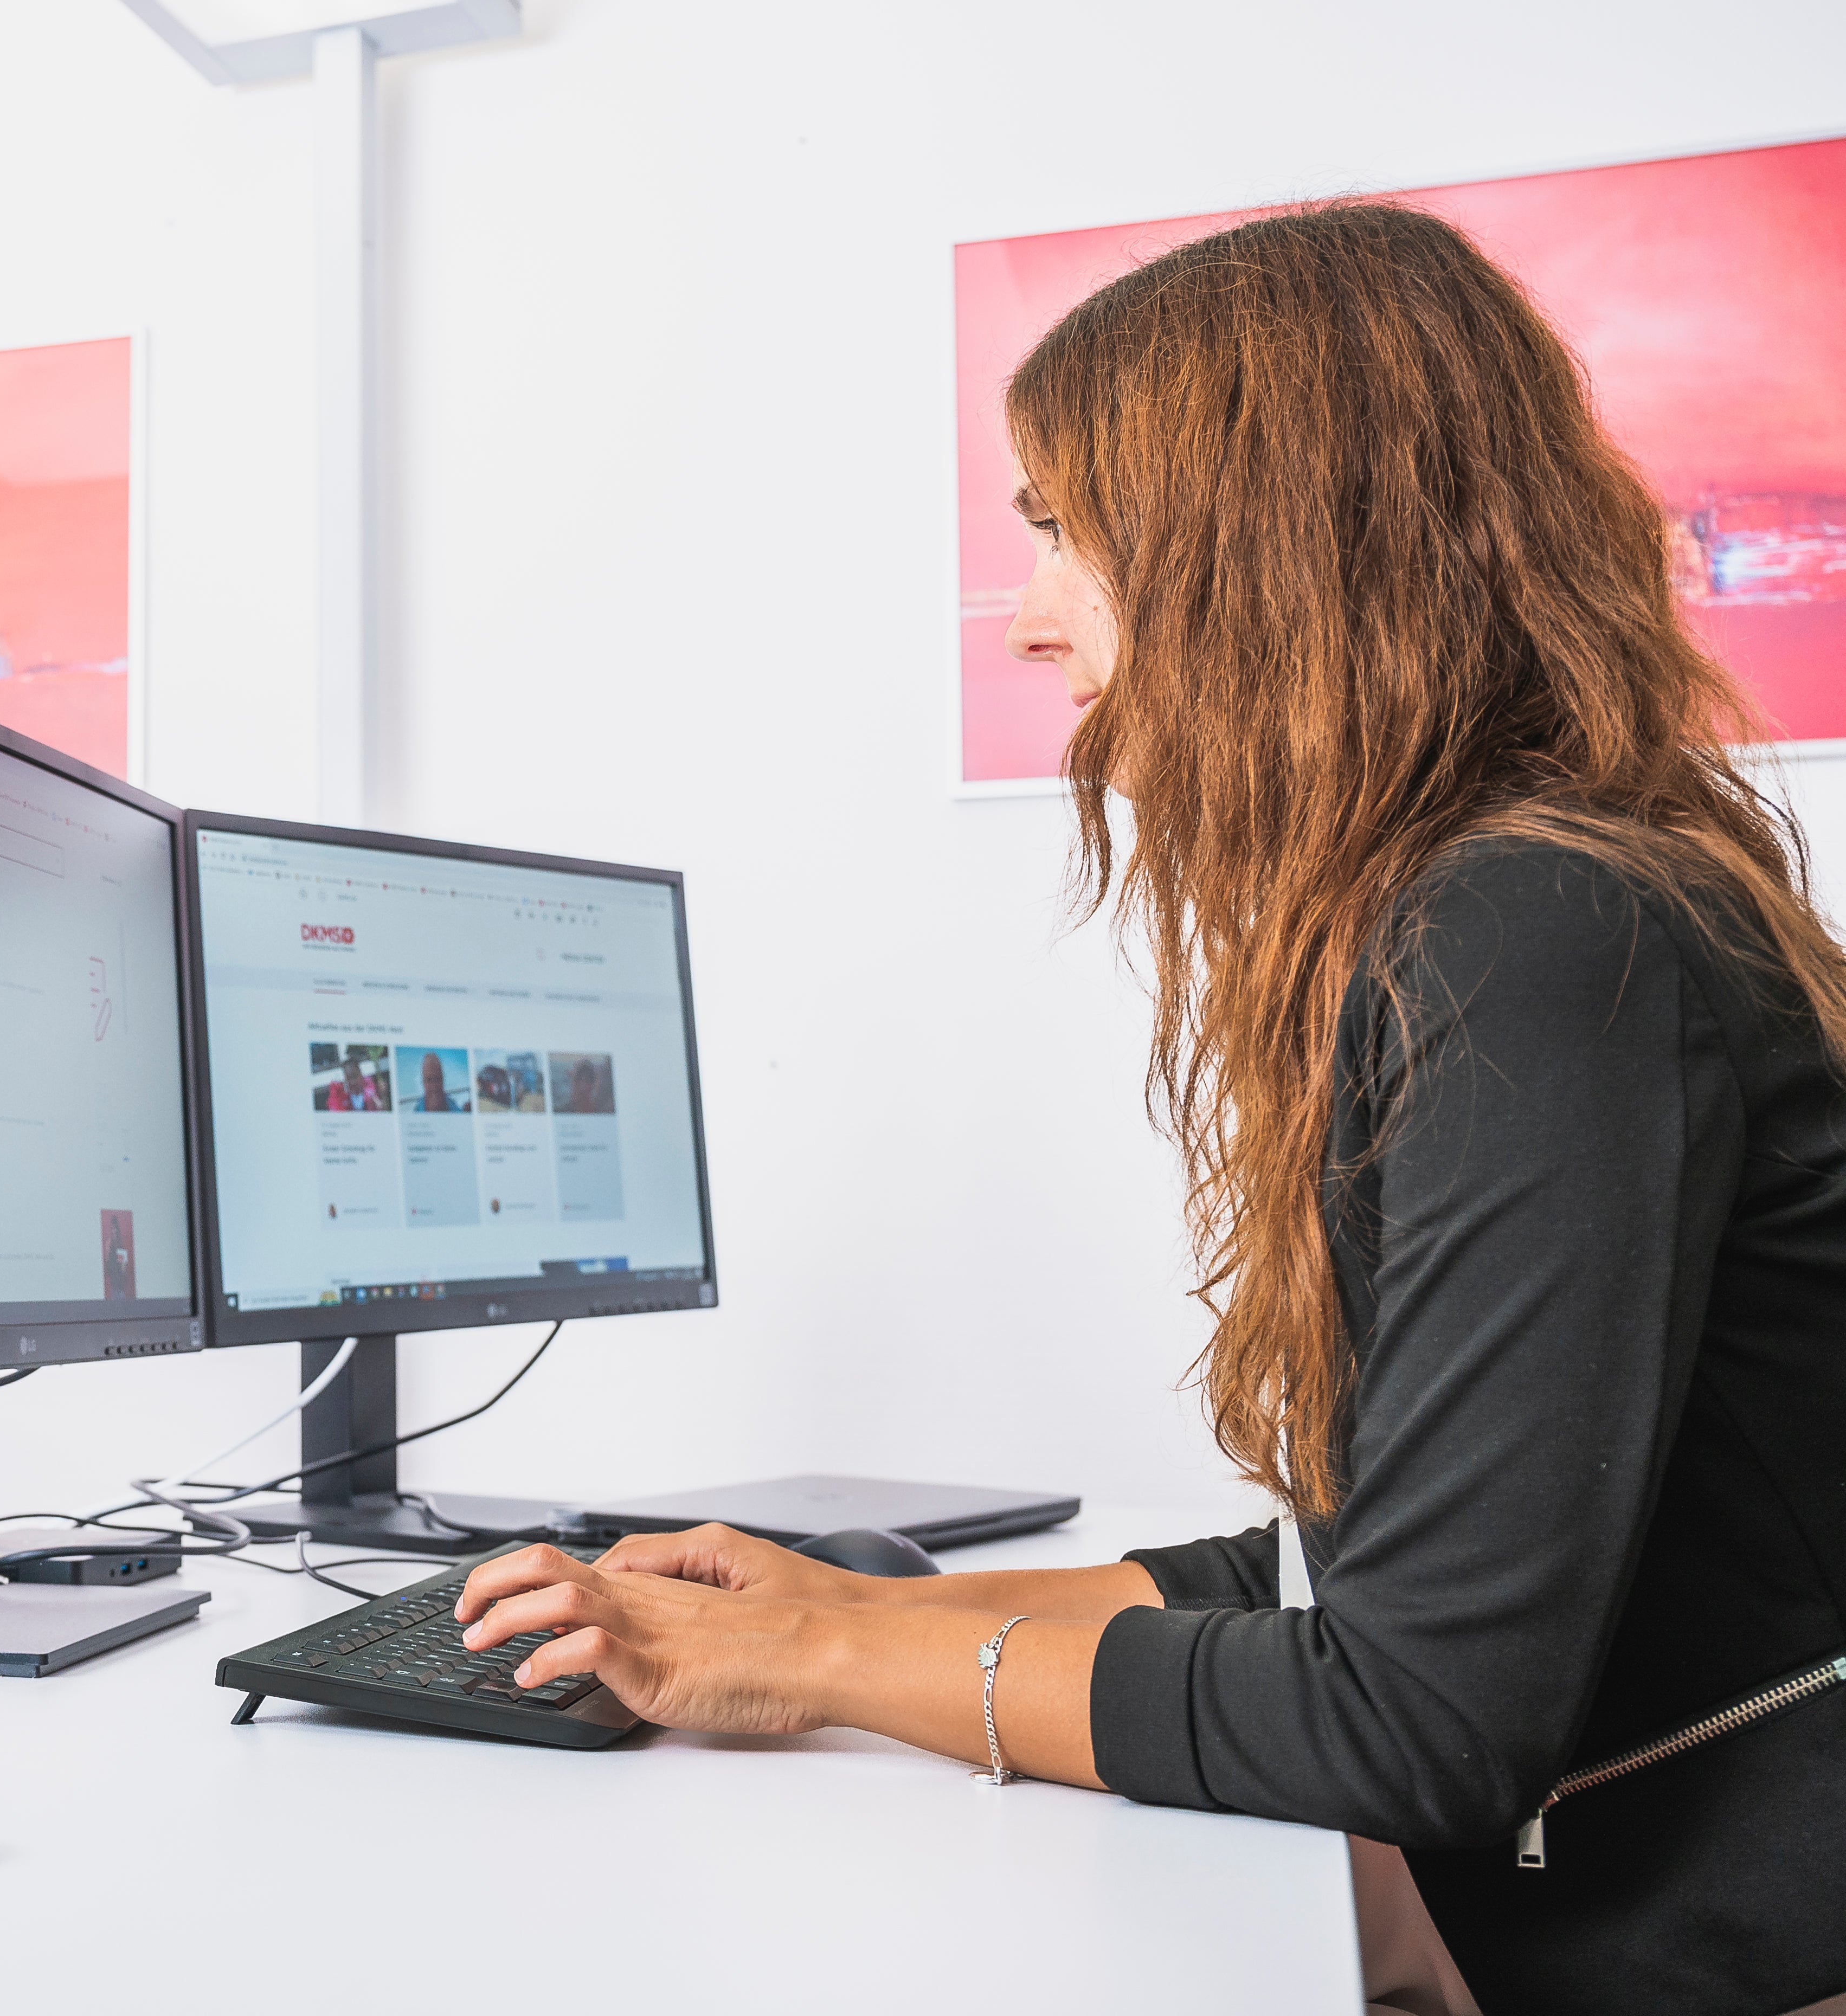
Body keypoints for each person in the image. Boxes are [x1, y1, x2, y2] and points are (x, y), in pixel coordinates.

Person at [455, 205, 1845, 2016]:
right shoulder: (1542, 895)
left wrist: (807, 1661)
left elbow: (1415, 1713)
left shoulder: (1537, 930)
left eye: (1062, 531)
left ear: (1269, 543)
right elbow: (1376, 1564)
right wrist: (848, 1607)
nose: (1030, 618)